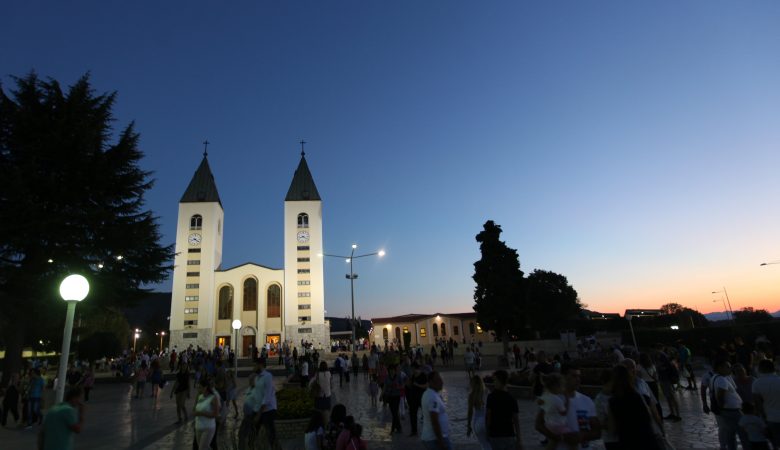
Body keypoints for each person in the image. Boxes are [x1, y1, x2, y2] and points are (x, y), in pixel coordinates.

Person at [535, 364, 601, 450]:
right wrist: (559, 438)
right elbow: (538, 424)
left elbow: (597, 432)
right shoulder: (553, 399)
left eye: (579, 376)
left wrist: (582, 436)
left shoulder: (587, 401)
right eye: (574, 376)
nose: (578, 379)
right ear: (563, 377)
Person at [608, 365, 661, 449]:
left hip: (628, 442)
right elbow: (648, 416)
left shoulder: (612, 401)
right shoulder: (637, 396)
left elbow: (612, 428)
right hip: (646, 439)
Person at [711, 359, 747, 450]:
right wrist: (723, 407)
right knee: (743, 433)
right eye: (727, 367)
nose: (730, 369)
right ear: (720, 368)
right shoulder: (721, 379)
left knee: (731, 434)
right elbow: (720, 395)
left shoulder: (716, 377)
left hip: (728, 411)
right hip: (732, 411)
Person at [486, 370, 522, 450]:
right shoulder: (512, 398)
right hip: (509, 434)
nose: (493, 382)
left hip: (495, 434)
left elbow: (489, 417)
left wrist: (487, 432)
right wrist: (519, 438)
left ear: (500, 381)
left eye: (495, 380)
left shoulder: (491, 397)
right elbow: (516, 420)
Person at [752, 359, 780, 448]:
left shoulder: (756, 383)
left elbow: (758, 404)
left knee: (775, 444)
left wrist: (763, 419)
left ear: (761, 369)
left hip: (770, 418)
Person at [538, 373, 570, 450]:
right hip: (557, 425)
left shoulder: (545, 396)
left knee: (552, 442)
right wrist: (567, 401)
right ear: (556, 386)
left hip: (548, 423)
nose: (563, 388)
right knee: (572, 437)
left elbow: (540, 403)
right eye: (562, 386)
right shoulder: (557, 400)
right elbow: (563, 412)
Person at [421, 371, 452, 450]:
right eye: (438, 379)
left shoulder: (428, 393)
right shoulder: (432, 397)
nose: (442, 382)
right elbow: (434, 420)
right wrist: (440, 441)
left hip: (432, 438)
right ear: (431, 382)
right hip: (434, 439)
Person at [593, 369, 619, 450]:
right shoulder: (599, 399)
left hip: (621, 438)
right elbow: (601, 422)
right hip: (609, 440)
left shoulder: (617, 395)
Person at [255, 358, 278, 446]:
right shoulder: (257, 377)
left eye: (255, 365)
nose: (254, 367)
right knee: (256, 432)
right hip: (261, 409)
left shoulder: (267, 376)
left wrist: (259, 413)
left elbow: (267, 397)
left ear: (260, 365)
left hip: (268, 410)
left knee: (270, 434)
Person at [193, 378, 220, 450]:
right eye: (197, 387)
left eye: (200, 387)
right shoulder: (199, 396)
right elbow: (194, 409)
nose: (198, 389)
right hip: (198, 426)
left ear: (205, 387)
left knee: (202, 448)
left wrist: (202, 413)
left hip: (208, 427)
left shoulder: (213, 398)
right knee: (204, 448)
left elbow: (215, 414)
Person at [466, 375, 491, 450]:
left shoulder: (471, 395)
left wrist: (468, 426)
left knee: (483, 445)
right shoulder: (487, 392)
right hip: (487, 421)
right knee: (490, 445)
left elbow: (470, 412)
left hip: (477, 422)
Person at [406, 363, 427, 436]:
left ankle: (427, 430)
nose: (411, 370)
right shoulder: (412, 376)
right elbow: (410, 386)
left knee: (425, 414)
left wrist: (417, 385)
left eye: (412, 369)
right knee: (412, 415)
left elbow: (426, 386)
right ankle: (414, 431)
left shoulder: (423, 375)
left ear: (415, 368)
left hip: (421, 398)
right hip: (413, 398)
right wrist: (407, 383)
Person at [383, 364, 404, 433]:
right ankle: (398, 427)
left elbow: (403, 385)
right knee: (393, 412)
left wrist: (398, 387)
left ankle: (392, 429)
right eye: (390, 370)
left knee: (395, 412)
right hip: (389, 396)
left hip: (396, 396)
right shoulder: (387, 377)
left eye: (393, 370)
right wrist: (381, 394)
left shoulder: (398, 377)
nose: (391, 371)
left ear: (395, 371)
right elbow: (385, 386)